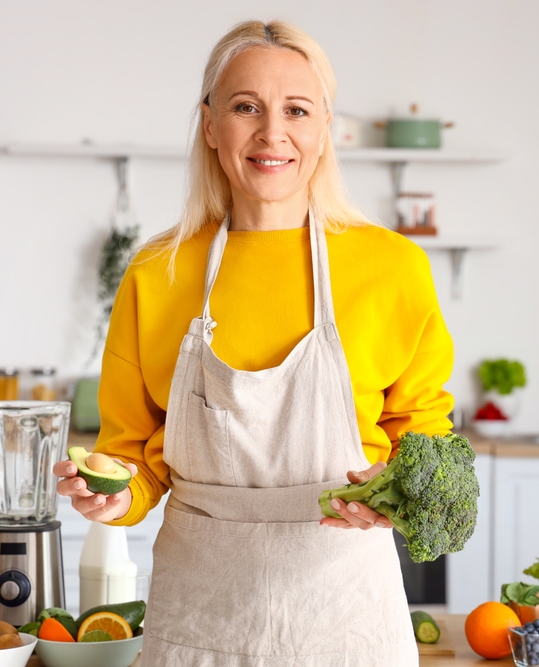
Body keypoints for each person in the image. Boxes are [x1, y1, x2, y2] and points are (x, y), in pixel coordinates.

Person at [54, 19, 453, 666]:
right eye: (246, 108)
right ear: (210, 126)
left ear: (325, 129)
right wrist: (114, 494)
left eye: (297, 110)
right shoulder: (158, 273)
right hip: (200, 617)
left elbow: (426, 437)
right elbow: (135, 457)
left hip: (347, 618)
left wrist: (398, 491)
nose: (273, 133)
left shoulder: (393, 267)